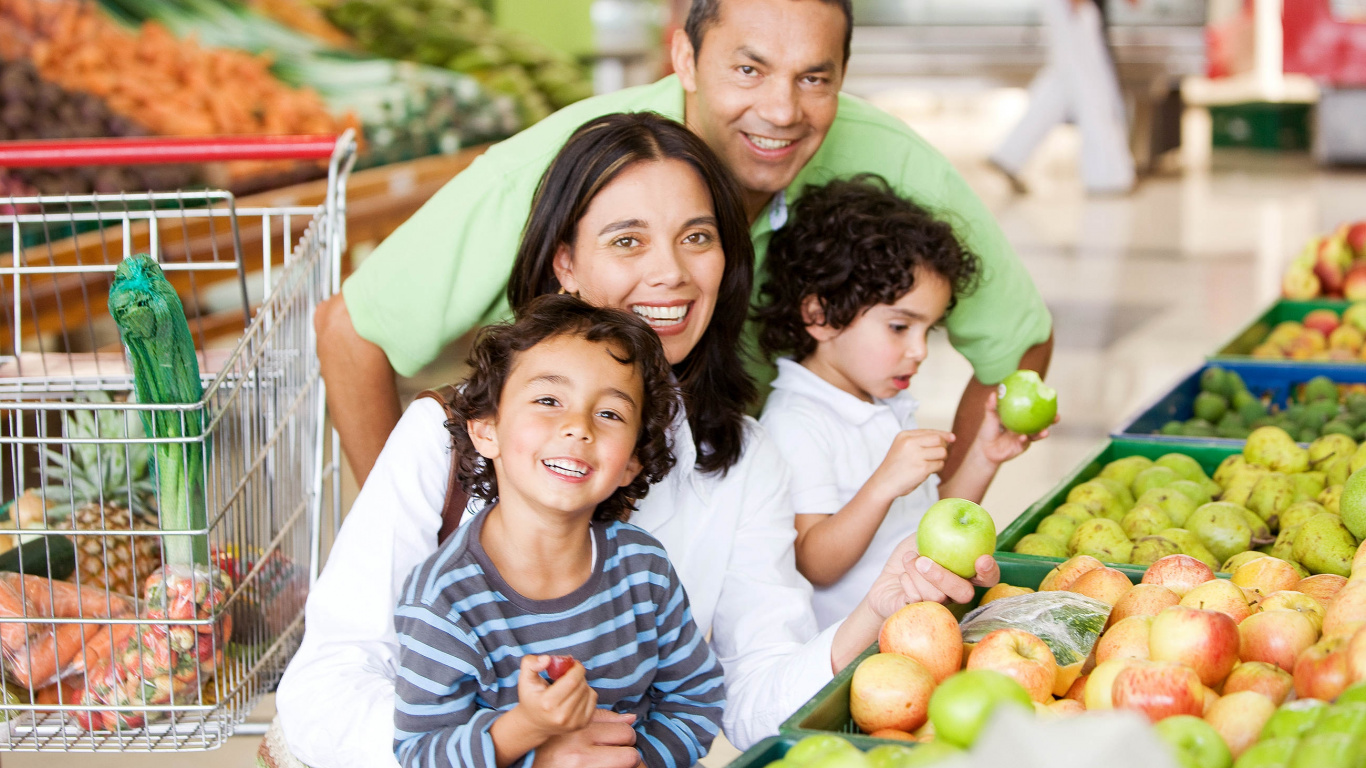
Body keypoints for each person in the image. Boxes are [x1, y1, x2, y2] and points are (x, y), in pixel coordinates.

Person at [277, 113, 1001, 768]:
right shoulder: (447, 437)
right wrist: (522, 747)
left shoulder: (740, 458)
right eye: (628, 241)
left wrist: (875, 612)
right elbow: (322, 694)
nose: (671, 273)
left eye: (697, 238)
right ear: (565, 264)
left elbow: (747, 695)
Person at [316, 0, 1054, 492]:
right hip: (557, 503)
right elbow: (351, 332)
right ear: (686, 58)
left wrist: (925, 531)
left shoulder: (891, 161)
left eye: (814, 77)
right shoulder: (555, 170)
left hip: (746, 503)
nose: (781, 111)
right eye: (748, 69)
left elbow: (1019, 343)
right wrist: (420, 552)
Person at [392, 295, 724, 768]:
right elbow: (422, 754)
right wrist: (528, 731)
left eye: (609, 414)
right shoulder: (444, 599)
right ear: (486, 429)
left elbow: (696, 697)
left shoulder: (644, 569)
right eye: (548, 401)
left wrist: (636, 761)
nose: (578, 427)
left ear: (631, 461)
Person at [754, 176, 1050, 629]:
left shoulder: (884, 402)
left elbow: (928, 527)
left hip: (917, 628)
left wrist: (983, 457)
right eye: (899, 327)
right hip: (859, 650)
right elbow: (813, 561)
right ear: (820, 315)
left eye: (928, 330)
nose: (920, 350)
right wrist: (883, 484)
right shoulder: (797, 422)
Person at [988, 0, 1135, 194]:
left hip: (1071, 8)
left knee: (1064, 81)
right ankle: (1105, 177)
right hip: (1073, 8)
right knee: (1090, 85)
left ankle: (1010, 153)